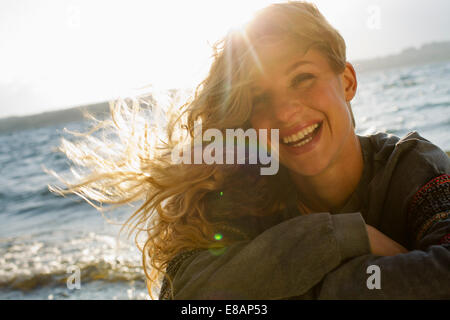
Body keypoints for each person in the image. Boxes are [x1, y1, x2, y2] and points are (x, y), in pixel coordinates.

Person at [53, 1, 450, 299]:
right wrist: (341, 235)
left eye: (302, 78)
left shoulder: (415, 169)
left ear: (346, 81)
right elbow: (185, 289)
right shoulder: (252, 190)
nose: (284, 111)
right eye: (259, 98)